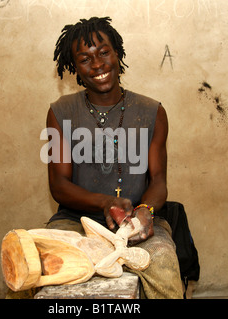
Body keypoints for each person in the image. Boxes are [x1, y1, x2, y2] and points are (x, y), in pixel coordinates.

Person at [44, 16, 183, 299]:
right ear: (74, 67)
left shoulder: (152, 111)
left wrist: (145, 210)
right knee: (39, 264)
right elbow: (59, 185)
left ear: (117, 53)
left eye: (104, 53)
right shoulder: (60, 112)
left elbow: (158, 180)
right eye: (85, 59)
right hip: (75, 220)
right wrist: (104, 202)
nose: (97, 65)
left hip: (137, 222)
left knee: (164, 264)